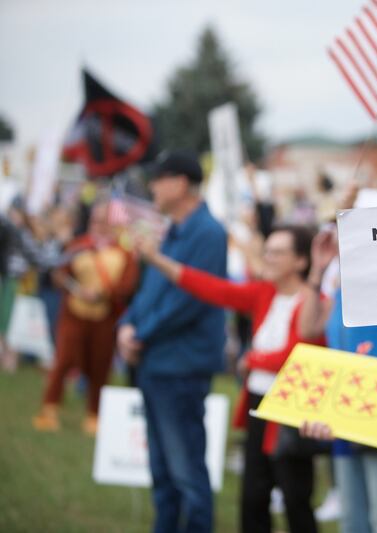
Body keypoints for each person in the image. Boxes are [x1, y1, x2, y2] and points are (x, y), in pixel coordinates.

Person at [138, 224, 324, 533]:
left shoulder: (313, 300)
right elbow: (213, 288)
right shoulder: (264, 292)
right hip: (257, 404)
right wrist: (158, 261)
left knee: (295, 498)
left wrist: (253, 359)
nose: (269, 258)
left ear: (300, 262)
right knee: (252, 495)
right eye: (268, 250)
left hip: (293, 410)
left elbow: (301, 352)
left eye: (278, 252)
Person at [117, 150, 227, 533]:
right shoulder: (172, 230)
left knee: (186, 472)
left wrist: (139, 334)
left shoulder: (207, 233)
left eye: (159, 178)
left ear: (180, 183)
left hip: (180, 367)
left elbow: (190, 299)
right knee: (163, 472)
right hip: (157, 364)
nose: (152, 187)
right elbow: (151, 290)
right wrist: (126, 326)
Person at [299, 191, 377, 533]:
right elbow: (308, 329)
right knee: (353, 522)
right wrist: (318, 269)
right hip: (346, 414)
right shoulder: (342, 282)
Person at [33, 202, 139, 433]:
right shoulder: (78, 246)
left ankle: (94, 414)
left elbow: (127, 284)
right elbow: (60, 274)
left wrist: (103, 293)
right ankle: (50, 409)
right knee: (63, 360)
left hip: (105, 316)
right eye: (96, 220)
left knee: (99, 365)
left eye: (104, 221)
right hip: (74, 312)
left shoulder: (124, 253)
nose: (99, 226)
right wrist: (70, 286)